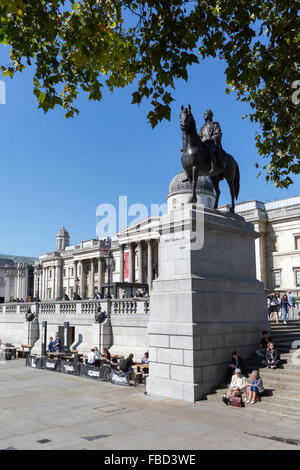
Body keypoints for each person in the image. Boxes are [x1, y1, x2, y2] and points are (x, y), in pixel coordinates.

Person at [198, 109, 224, 174]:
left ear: (210, 115)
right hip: (203, 144)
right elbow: (199, 137)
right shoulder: (202, 127)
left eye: (205, 114)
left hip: (212, 144)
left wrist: (210, 139)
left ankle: (213, 167)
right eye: (204, 114)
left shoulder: (215, 124)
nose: (204, 116)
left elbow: (218, 134)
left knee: (211, 149)